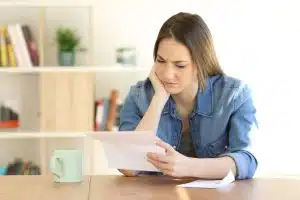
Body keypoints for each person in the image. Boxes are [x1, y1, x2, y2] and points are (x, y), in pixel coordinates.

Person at [118, 12, 258, 180]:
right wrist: (159, 98)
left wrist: (188, 166)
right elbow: (127, 166)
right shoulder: (138, 96)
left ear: (201, 63)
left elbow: (247, 160)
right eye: (161, 61)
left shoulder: (234, 95)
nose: (168, 74)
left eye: (180, 65)